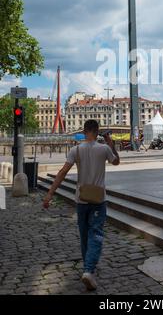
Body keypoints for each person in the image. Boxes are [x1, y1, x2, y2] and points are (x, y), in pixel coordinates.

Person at [43, 119, 120, 291]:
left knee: (85, 234)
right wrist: (111, 145)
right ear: (97, 131)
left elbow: (63, 172)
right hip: (99, 199)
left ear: (85, 131)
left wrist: (49, 193)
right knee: (97, 234)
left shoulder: (75, 150)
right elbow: (116, 162)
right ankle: (88, 270)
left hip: (81, 199)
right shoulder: (104, 149)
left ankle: (88, 268)